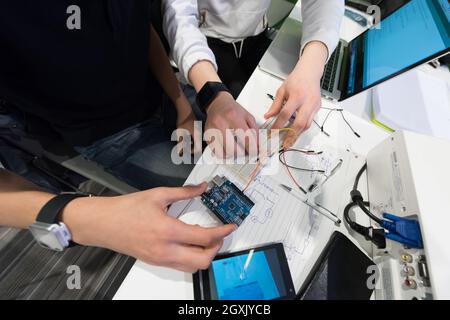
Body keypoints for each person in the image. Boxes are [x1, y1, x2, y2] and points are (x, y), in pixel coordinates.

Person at [0, 0, 235, 272]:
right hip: (106, 132)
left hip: (161, 92)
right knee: (211, 198)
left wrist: (181, 104)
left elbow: (140, 30)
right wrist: (88, 219)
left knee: (242, 161)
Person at [163, 0, 344, 147]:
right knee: (242, 135)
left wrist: (311, 65)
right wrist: (212, 93)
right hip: (205, 47)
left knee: (281, 116)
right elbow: (179, 18)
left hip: (256, 34)